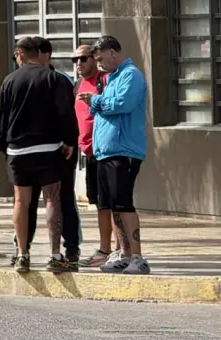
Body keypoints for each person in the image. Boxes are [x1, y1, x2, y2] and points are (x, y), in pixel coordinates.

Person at [0, 36, 78, 274]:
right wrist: (69, 141)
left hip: (18, 151)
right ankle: (54, 254)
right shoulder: (54, 79)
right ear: (36, 54)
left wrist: (3, 147)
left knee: (21, 201)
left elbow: (1, 119)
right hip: (48, 149)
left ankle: (22, 254)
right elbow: (66, 114)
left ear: (20, 54)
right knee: (52, 199)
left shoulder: (9, 81)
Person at [77, 35, 149, 275]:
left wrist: (95, 101)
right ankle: (124, 253)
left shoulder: (131, 75)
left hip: (124, 151)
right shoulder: (111, 78)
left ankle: (138, 256)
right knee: (112, 206)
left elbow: (123, 104)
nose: (98, 64)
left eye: (100, 59)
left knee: (124, 204)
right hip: (105, 152)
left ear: (113, 53)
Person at [16, 37, 82, 266]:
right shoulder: (17, 80)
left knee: (61, 199)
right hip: (33, 152)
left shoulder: (59, 80)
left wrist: (69, 142)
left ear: (46, 55)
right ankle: (23, 248)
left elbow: (68, 115)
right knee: (28, 202)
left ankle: (70, 246)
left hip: (57, 151)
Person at [72, 44, 114, 269]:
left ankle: (116, 249)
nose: (79, 63)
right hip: (87, 152)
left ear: (94, 59)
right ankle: (105, 248)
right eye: (75, 59)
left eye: (83, 58)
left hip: (105, 151)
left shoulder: (104, 81)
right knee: (98, 203)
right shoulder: (77, 84)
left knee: (112, 202)